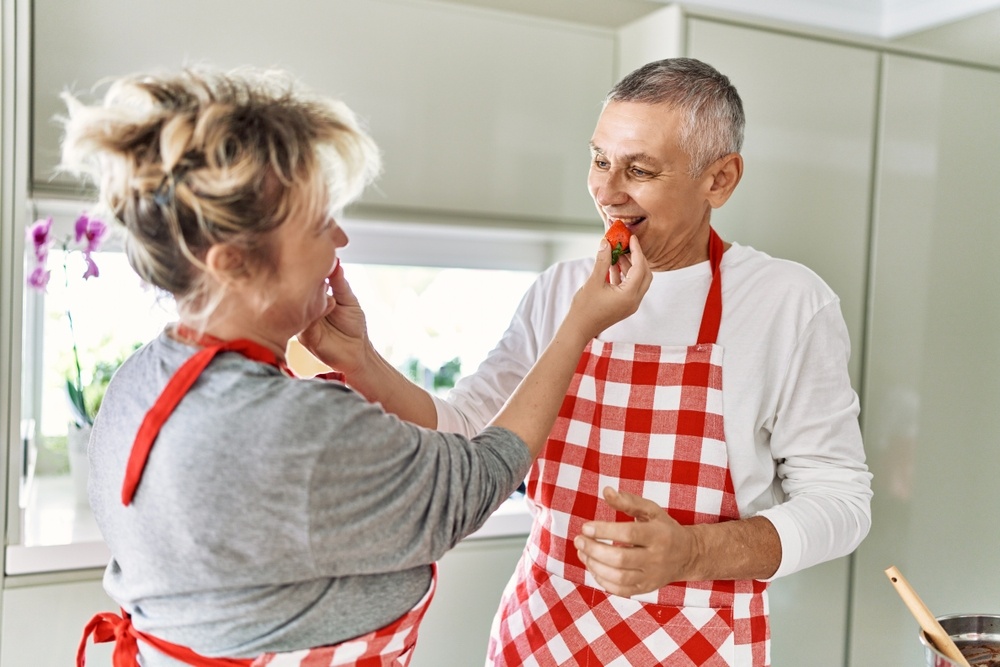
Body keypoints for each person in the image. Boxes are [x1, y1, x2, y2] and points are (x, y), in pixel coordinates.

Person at [66, 67, 651, 667]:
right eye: (320, 223)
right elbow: (475, 480)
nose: (339, 239)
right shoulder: (298, 428)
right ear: (234, 262)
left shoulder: (137, 382)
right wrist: (578, 324)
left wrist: (360, 358)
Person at [300, 57, 873, 666]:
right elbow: (469, 429)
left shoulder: (786, 301)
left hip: (697, 644)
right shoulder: (561, 289)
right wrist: (361, 360)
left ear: (720, 179)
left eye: (640, 170)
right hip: (541, 632)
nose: (605, 191)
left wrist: (690, 553)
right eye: (600, 159)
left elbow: (841, 504)